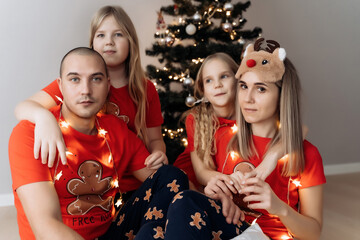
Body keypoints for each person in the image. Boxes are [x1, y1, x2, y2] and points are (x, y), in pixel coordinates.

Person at [150, 39, 326, 240]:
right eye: (243, 86)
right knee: (157, 226)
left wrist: (279, 208)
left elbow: (313, 234)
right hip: (230, 227)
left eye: (261, 89)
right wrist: (213, 193)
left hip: (268, 236)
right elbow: (204, 179)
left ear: (282, 95)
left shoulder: (306, 155)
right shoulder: (223, 137)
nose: (248, 98)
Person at [9, 47, 188, 240]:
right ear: (60, 86)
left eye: (96, 79)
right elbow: (46, 227)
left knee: (171, 177)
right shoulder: (30, 134)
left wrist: (210, 193)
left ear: (107, 85)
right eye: (75, 79)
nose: (86, 90)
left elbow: (163, 181)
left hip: (108, 235)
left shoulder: (115, 129)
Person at [13, 5, 167, 198]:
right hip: (95, 185)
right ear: (92, 43)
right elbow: (23, 107)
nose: (109, 42)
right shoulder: (76, 85)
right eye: (101, 35)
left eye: (118, 35)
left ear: (131, 41)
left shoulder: (145, 88)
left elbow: (155, 139)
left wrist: (158, 152)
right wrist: (45, 118)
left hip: (137, 182)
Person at [173, 52, 282, 192]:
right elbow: (201, 173)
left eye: (224, 76)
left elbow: (299, 130)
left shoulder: (250, 112)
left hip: (225, 189)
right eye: (209, 80)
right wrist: (231, 179)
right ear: (203, 90)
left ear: (239, 81)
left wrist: (272, 157)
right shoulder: (197, 119)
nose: (217, 85)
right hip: (188, 185)